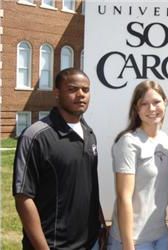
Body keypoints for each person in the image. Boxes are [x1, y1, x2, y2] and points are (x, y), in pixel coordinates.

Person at [13, 68, 105, 250]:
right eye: (72, 89)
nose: (81, 95)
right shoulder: (35, 136)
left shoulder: (89, 133)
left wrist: (100, 225)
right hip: (53, 245)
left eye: (86, 90)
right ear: (57, 93)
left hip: (91, 243)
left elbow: (89, 187)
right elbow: (23, 198)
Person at [107, 80, 168, 250]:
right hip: (134, 240)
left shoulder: (163, 139)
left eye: (156, 102)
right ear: (136, 109)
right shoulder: (128, 142)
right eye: (144, 104)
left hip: (160, 235)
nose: (151, 109)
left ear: (165, 102)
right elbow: (124, 198)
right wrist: (128, 246)